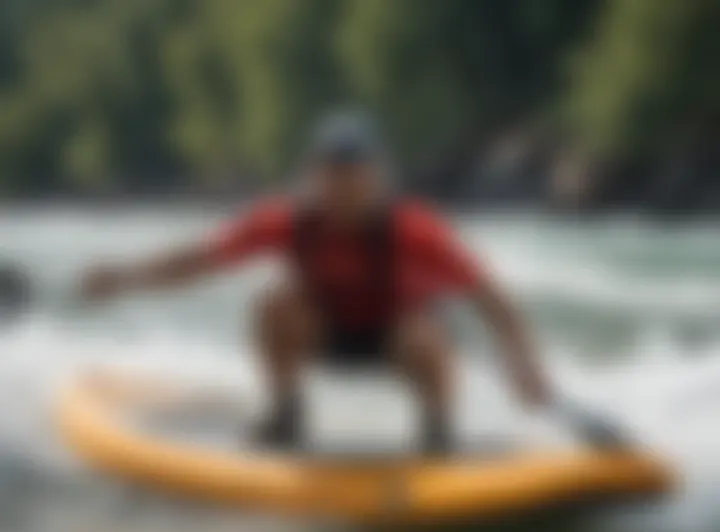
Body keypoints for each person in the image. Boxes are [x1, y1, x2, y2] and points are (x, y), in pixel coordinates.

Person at [80, 110, 550, 454]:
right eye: (332, 172)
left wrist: (523, 363)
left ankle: (437, 429)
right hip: (324, 336)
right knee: (274, 303)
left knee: (423, 334)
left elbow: (490, 298)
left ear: (377, 176)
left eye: (354, 172)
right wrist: (125, 277)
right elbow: (202, 259)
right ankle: (285, 412)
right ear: (313, 175)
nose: (342, 186)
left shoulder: (416, 230)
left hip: (399, 342)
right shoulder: (286, 220)